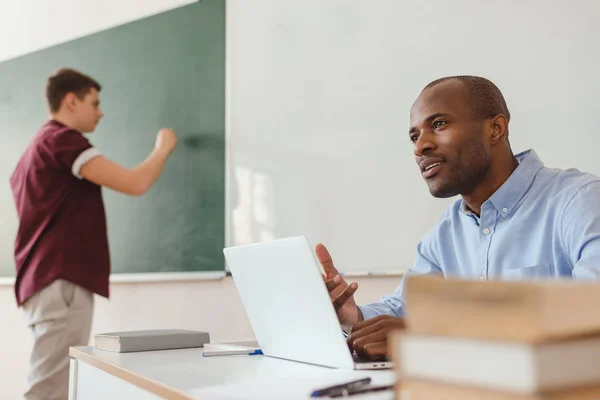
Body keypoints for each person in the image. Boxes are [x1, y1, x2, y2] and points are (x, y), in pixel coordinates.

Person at [318, 75, 600, 361]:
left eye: (438, 124)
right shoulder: (445, 234)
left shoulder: (579, 201)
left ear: (495, 129)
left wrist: (430, 337)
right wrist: (353, 315)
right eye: (414, 137)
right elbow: (403, 309)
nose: (420, 147)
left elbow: (592, 314)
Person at [10, 68, 178, 400]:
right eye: (95, 103)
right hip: (60, 283)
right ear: (71, 101)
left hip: (42, 283)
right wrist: (163, 148)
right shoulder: (61, 140)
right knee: (49, 391)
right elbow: (134, 182)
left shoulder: (31, 153)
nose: (100, 113)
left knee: (52, 385)